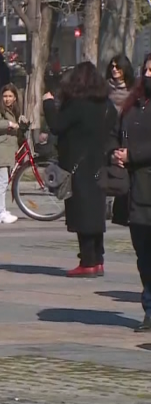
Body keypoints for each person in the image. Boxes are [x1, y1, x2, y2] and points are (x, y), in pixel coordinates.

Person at [43, 61, 116, 278]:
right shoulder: (106, 105)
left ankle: (87, 261)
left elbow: (57, 125)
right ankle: (98, 259)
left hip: (78, 165)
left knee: (81, 213)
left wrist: (48, 104)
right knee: (96, 212)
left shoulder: (76, 104)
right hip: (99, 162)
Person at [110, 53, 151, 331]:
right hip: (136, 194)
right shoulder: (132, 106)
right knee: (144, 255)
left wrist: (133, 155)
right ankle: (149, 309)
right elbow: (114, 134)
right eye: (147, 70)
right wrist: (115, 153)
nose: (149, 75)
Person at [0, 84, 24, 224]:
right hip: (0, 149)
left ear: (15, 98)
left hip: (7, 150)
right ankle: (1, 213)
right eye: (5, 96)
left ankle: (0, 209)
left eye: (10, 96)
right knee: (2, 182)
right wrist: (9, 123)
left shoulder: (13, 110)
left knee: (3, 182)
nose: (7, 99)